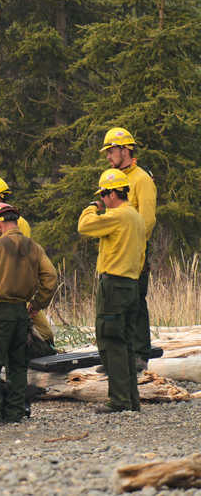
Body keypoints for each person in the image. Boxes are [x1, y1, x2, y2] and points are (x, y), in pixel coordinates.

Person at [78, 168, 146, 413]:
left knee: (111, 340)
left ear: (113, 194)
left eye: (104, 195)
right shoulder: (136, 217)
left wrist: (90, 207)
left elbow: (84, 226)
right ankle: (131, 399)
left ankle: (119, 400)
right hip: (131, 284)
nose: (103, 200)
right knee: (126, 342)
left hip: (114, 286)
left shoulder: (118, 216)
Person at [0, 203, 58, 424]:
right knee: (17, 366)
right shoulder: (34, 247)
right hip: (21, 313)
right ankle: (15, 413)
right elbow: (51, 277)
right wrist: (37, 304)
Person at [100, 127, 157, 368]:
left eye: (111, 150)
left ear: (125, 149)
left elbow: (148, 220)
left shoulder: (142, 179)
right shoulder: (113, 178)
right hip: (115, 255)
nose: (108, 156)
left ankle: (140, 355)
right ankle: (118, 358)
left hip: (135, 253)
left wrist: (136, 250)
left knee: (136, 304)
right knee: (114, 307)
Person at [0, 177, 54, 350]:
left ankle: (46, 351)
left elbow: (22, 258)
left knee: (44, 333)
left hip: (16, 294)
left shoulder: (20, 224)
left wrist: (31, 301)